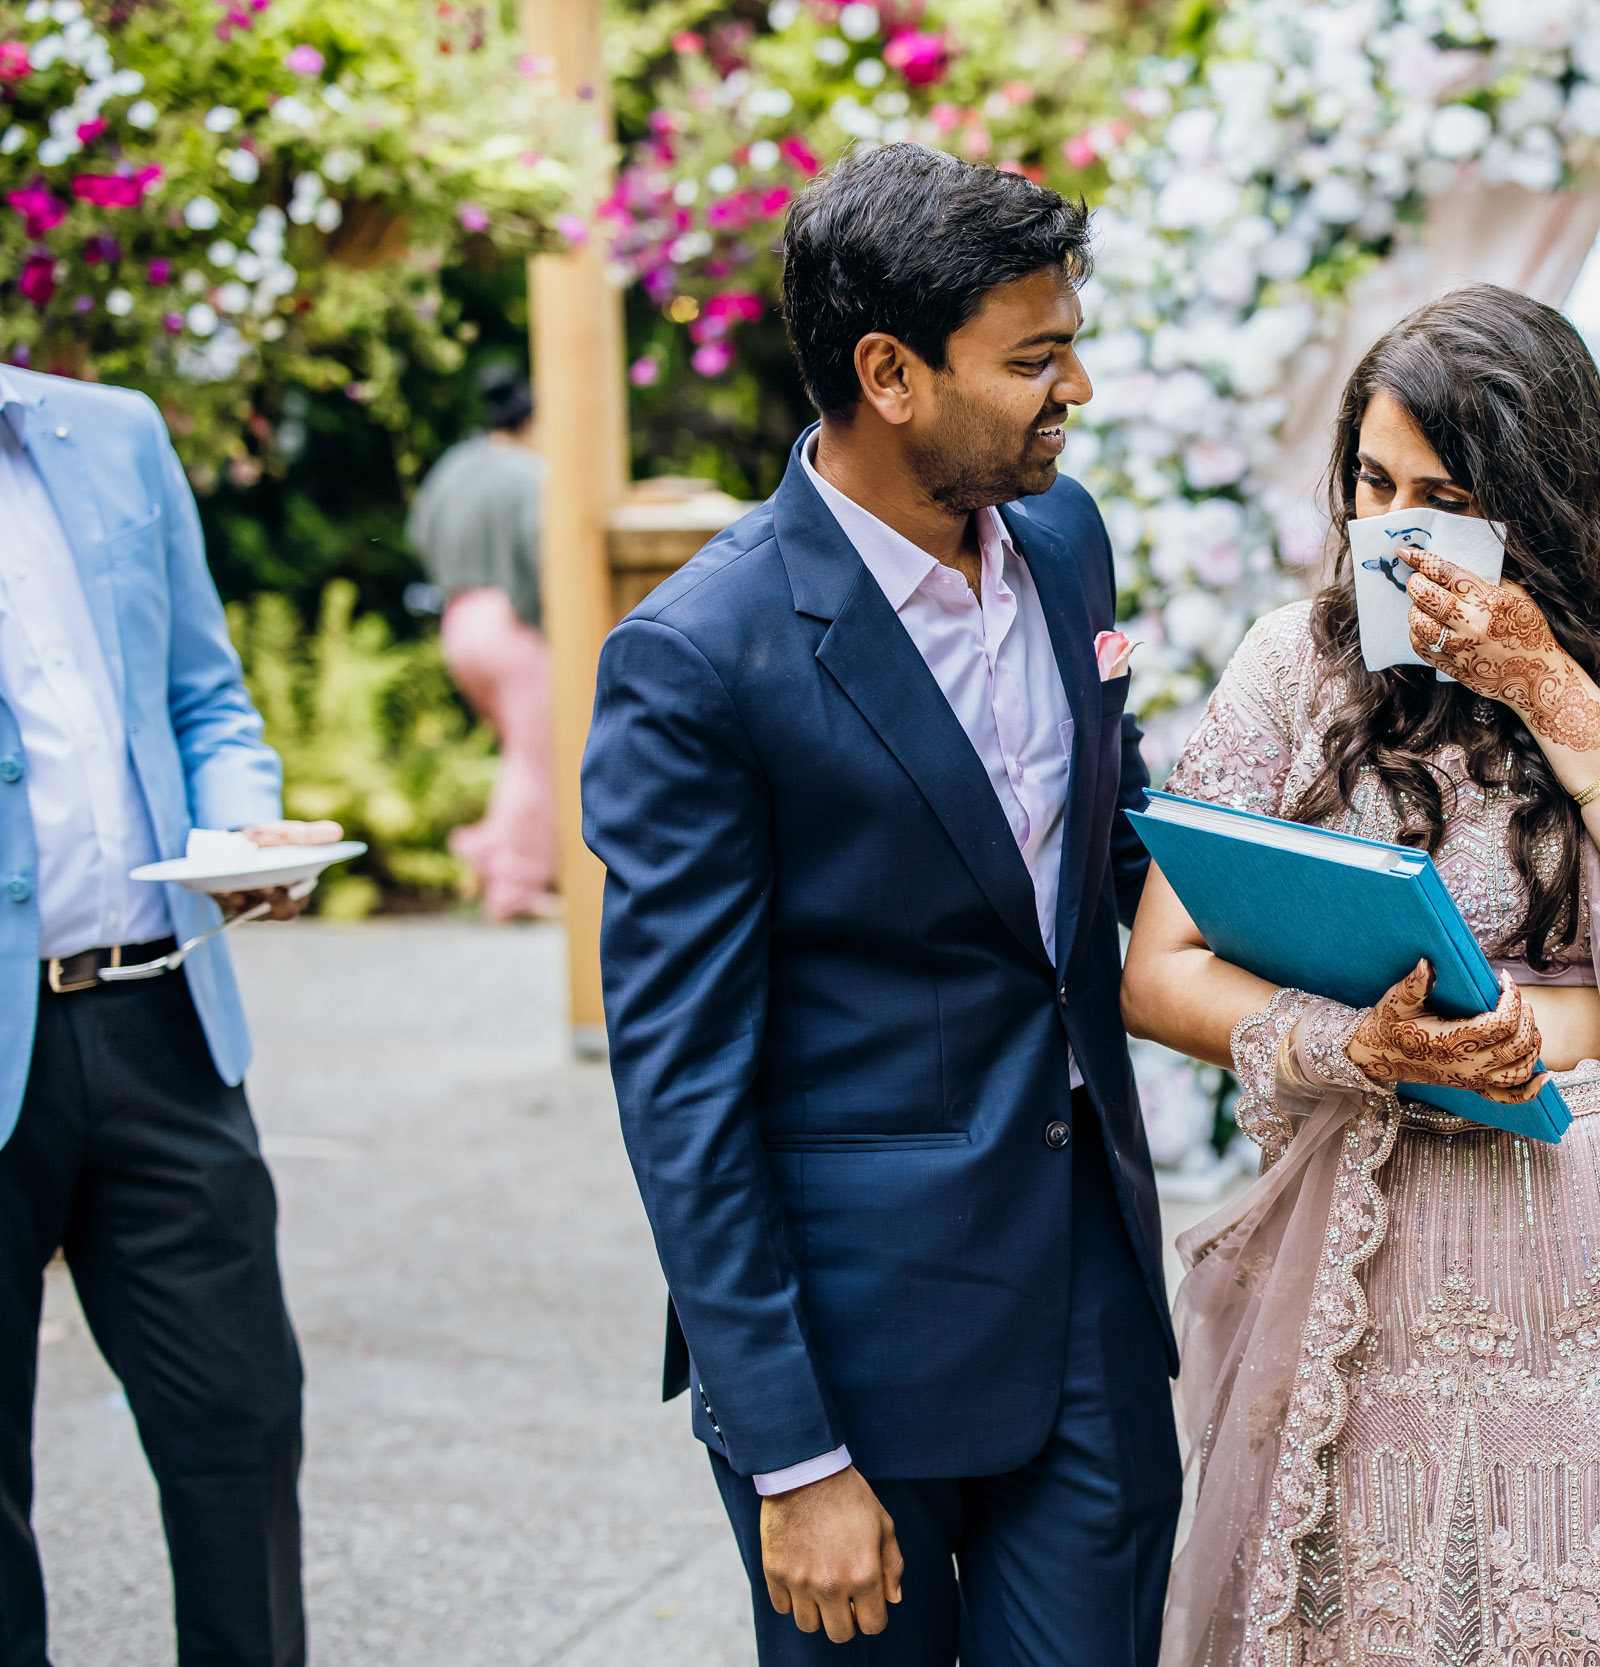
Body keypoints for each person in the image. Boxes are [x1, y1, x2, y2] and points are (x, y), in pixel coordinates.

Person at [1124, 285, 1600, 1667]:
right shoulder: (1293, 666)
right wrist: (1354, 1044)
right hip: (1368, 1251)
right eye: (1374, 482)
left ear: (1537, 501)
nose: (1395, 530)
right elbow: (1161, 965)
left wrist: (1550, 684)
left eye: (1445, 495)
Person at [582, 143, 1178, 1665]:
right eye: (1035, 359)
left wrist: (1352, 954)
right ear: (890, 373)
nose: (1079, 391)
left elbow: (1121, 844)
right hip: (856, 1355)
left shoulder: (1064, 542)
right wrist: (792, 1453)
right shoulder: (698, 659)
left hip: (1091, 1297)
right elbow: (682, 1087)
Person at [0, 366, 345, 1667]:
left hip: (162, 1017)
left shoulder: (115, 433)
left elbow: (208, 698)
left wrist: (239, 819)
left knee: (242, 1425)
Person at [407, 363, 553, 921]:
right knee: (535, 758)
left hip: (458, 616)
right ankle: (513, 884)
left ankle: (489, 850)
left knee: (518, 752)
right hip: (511, 621)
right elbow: (535, 549)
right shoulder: (529, 474)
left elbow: (416, 531)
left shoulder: (454, 465)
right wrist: (539, 613)